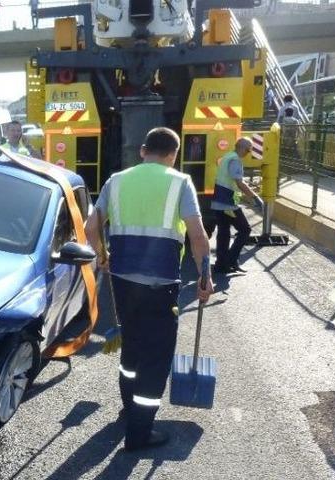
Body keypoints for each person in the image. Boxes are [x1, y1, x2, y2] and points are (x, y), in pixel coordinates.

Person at [85, 127, 213, 452]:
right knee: (156, 359)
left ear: (143, 150)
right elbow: (198, 236)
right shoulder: (180, 182)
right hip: (160, 285)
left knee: (132, 346)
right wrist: (205, 275)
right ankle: (140, 433)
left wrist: (102, 256)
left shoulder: (116, 181)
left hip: (123, 281)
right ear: (173, 154)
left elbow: (91, 227)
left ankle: (129, 408)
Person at [211, 138, 264, 274]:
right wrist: (254, 197)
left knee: (224, 233)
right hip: (228, 203)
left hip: (220, 200)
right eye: (248, 150)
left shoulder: (228, 156)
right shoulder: (235, 160)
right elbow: (239, 183)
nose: (248, 153)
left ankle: (221, 264)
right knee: (245, 230)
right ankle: (231, 260)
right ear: (241, 148)